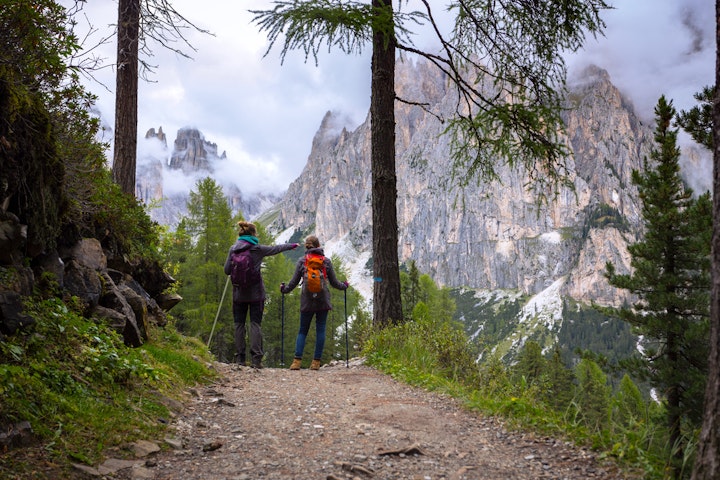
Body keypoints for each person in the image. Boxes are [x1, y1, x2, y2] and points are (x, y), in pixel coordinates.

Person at [224, 221, 298, 369]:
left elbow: (227, 270)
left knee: (239, 325)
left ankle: (240, 358)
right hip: (256, 294)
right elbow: (275, 249)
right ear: (253, 234)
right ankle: (256, 359)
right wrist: (292, 246)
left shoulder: (233, 249)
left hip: (238, 295)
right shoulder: (257, 249)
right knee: (255, 324)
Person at [280, 235, 348, 370]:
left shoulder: (302, 261)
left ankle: (296, 361)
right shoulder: (326, 262)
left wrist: (284, 289)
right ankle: (316, 362)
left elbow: (293, 282)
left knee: (302, 331)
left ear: (306, 247)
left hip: (307, 300)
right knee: (320, 330)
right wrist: (344, 285)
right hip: (323, 300)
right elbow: (334, 283)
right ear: (318, 246)